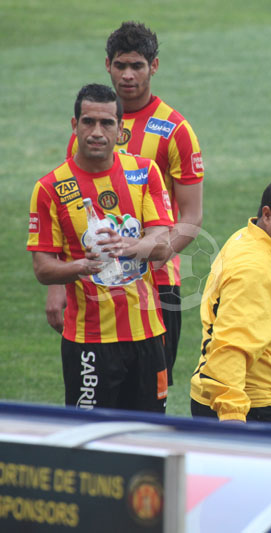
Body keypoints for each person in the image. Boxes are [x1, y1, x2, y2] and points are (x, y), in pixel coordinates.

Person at [49, 21, 204, 390]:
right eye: (121, 66)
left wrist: (152, 253)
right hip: (91, 287)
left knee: (149, 401)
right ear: (108, 65)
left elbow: (192, 216)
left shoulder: (175, 130)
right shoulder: (89, 130)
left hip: (156, 285)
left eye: (137, 65)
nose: (128, 75)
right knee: (97, 399)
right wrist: (57, 284)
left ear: (154, 66)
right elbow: (64, 214)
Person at [27, 83, 174, 412]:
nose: (97, 131)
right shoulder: (49, 188)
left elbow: (163, 245)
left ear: (120, 130)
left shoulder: (143, 172)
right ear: (74, 125)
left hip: (147, 336)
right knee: (91, 443)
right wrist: (80, 267)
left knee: (149, 436)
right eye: (88, 121)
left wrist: (128, 245)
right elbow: (43, 269)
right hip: (89, 343)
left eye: (106, 123)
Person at [190, 175, 271, 425]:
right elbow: (230, 346)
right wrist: (232, 416)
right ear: (268, 214)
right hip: (252, 406)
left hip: (259, 398)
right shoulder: (256, 269)